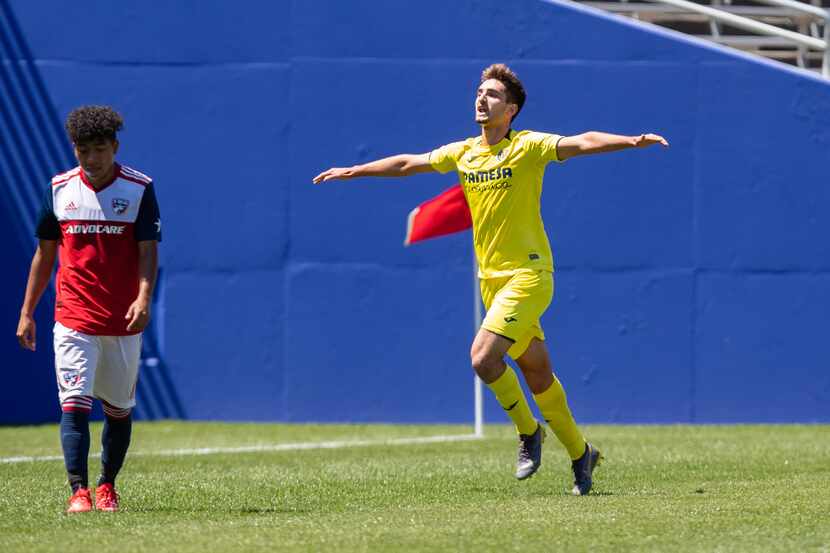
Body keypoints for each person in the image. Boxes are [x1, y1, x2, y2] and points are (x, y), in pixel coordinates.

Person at [313, 63, 668, 495]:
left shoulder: (529, 146)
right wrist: (353, 170)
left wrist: (630, 141)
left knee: (482, 358)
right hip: (492, 282)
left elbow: (583, 140)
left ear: (512, 109)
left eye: (493, 94)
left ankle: (527, 432)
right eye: (479, 92)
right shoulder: (464, 152)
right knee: (538, 376)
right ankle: (581, 454)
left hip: (530, 275)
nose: (482, 99)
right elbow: (409, 163)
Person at [16, 105, 162, 512]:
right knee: (74, 402)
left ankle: (107, 486)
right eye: (83, 151)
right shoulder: (59, 188)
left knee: (118, 409)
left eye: (100, 149)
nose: (92, 159)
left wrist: (143, 297)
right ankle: (78, 491)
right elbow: (45, 254)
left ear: (114, 147)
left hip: (121, 318)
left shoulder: (138, 188)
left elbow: (147, 251)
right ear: (74, 149)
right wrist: (28, 311)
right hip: (73, 316)